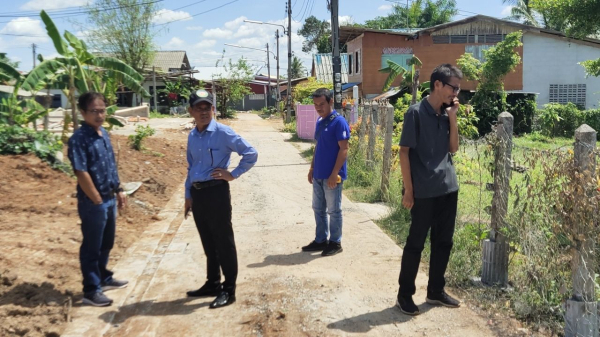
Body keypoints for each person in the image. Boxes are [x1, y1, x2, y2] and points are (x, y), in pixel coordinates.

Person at [396, 64, 463, 315]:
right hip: (423, 191)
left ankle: (435, 290)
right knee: (415, 244)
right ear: (437, 84)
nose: (456, 92)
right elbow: (404, 152)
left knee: (443, 242)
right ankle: (405, 295)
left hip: (448, 188)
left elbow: (453, 149)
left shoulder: (446, 115)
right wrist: (408, 190)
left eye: (458, 88)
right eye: (452, 87)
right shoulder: (415, 113)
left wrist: (453, 116)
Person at [184, 89, 258, 309]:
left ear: (213, 110)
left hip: (216, 192)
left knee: (223, 242)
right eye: (199, 108)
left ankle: (229, 290)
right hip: (198, 194)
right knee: (208, 241)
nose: (204, 112)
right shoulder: (192, 135)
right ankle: (213, 283)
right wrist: (188, 196)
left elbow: (251, 153)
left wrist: (232, 174)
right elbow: (191, 167)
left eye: (208, 108)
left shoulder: (223, 133)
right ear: (191, 111)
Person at [67, 92, 128, 307]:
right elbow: (81, 172)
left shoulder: (103, 134)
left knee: (106, 243)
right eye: (94, 111)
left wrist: (119, 189)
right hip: (94, 203)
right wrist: (96, 200)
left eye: (102, 110)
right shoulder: (78, 139)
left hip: (109, 198)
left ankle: (103, 277)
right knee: (92, 247)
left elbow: (110, 165)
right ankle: (91, 290)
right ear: (83, 113)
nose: (99, 115)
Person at [301, 88, 350, 257]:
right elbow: (318, 147)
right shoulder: (320, 122)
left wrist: (333, 173)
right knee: (318, 208)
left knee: (333, 210)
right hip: (318, 174)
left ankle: (335, 242)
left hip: (332, 177)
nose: (318, 108)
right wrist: (312, 168)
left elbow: (344, 149)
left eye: (321, 104)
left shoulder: (339, 122)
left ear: (330, 102)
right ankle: (321, 240)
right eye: (315, 105)